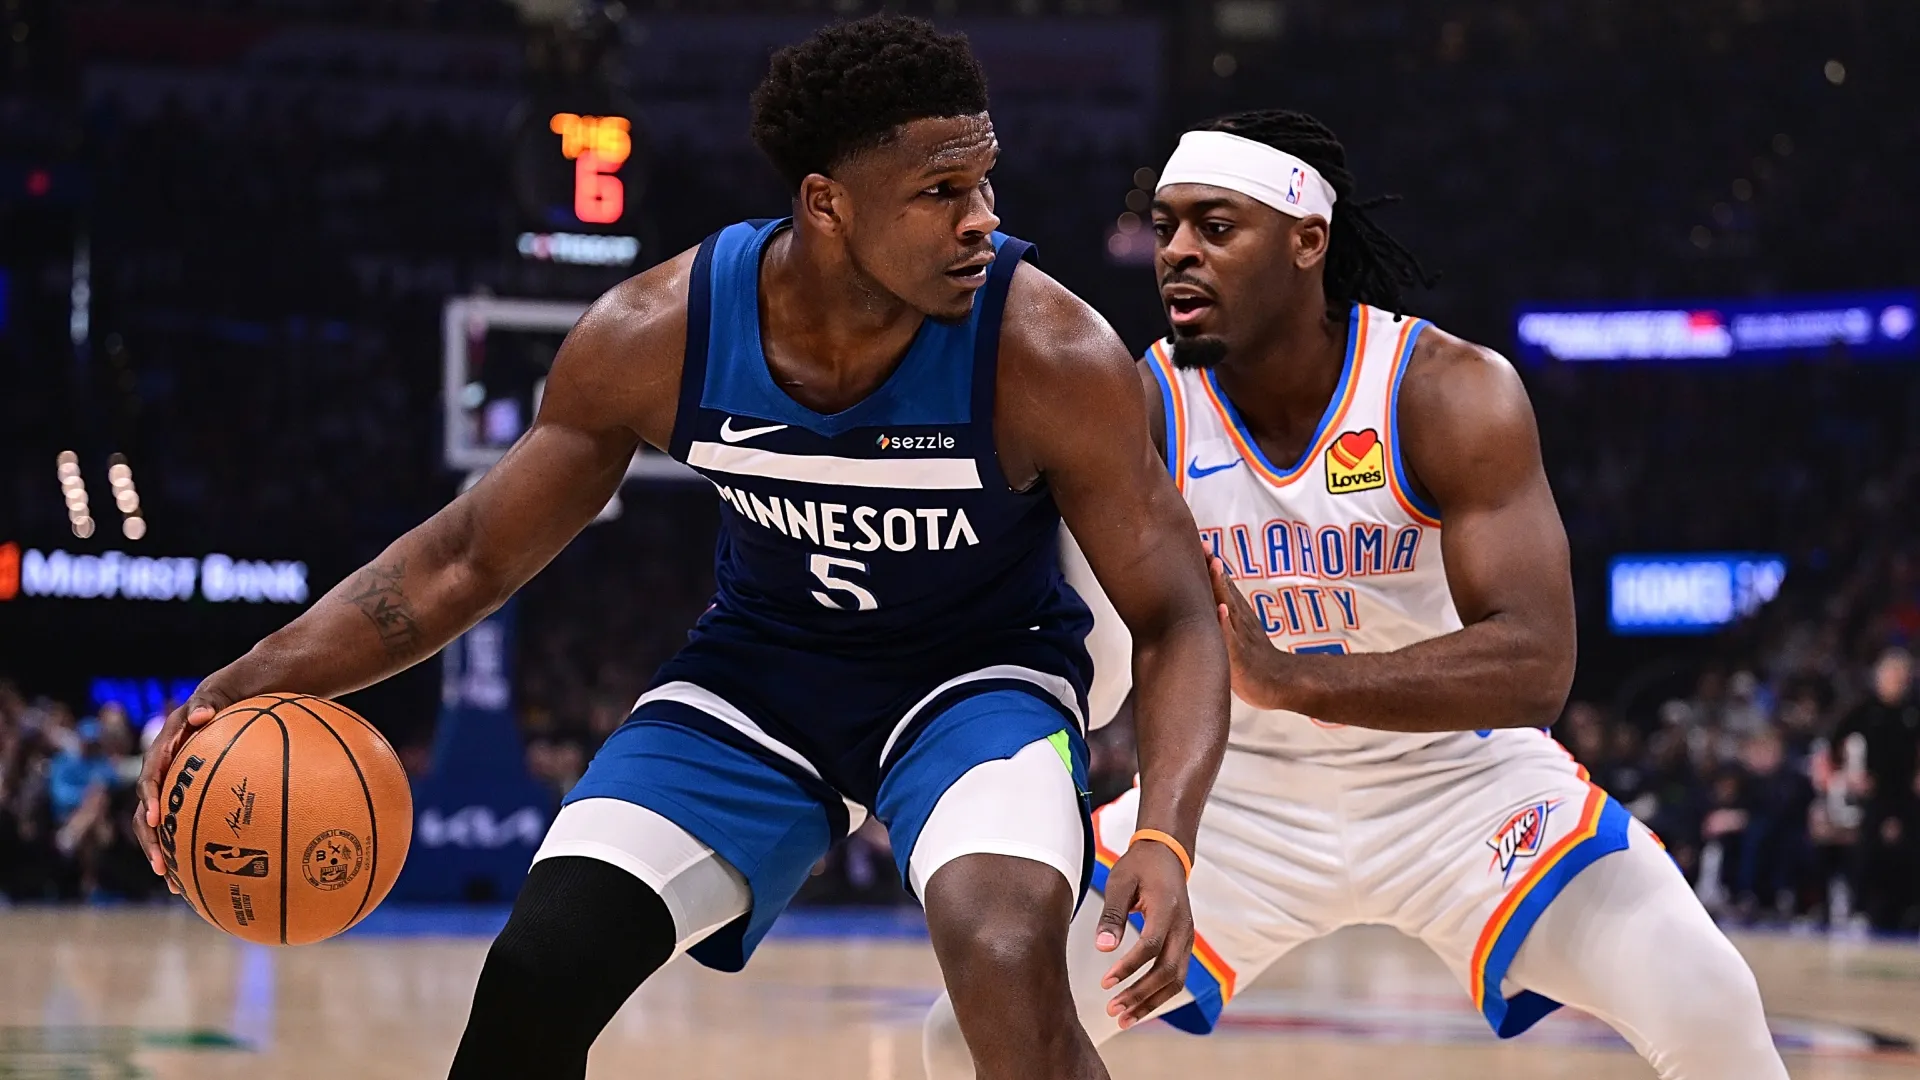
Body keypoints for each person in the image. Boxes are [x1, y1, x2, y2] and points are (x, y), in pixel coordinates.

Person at [132, 16, 1229, 1080]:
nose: (982, 218)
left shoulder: (1048, 351)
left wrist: (1166, 838)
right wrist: (241, 683)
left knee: (1004, 957)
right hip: (763, 676)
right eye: (941, 192)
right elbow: (470, 558)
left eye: (985, 182)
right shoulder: (661, 335)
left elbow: (1177, 614)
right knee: (537, 972)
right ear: (827, 204)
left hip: (977, 681)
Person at [925, 110, 1787, 1080]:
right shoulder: (1145, 405)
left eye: (1216, 226)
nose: (1176, 252)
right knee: (969, 1033)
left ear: (1308, 240)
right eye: (1166, 227)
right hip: (1238, 802)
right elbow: (1107, 651)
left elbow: (1537, 664)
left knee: (1709, 1003)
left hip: (1460, 789)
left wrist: (1292, 680)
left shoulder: (1446, 391)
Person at [1831, 647, 1920, 931]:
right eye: (1891, 674)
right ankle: (1861, 908)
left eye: (1901, 675)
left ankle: (1908, 909)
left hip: (1907, 794)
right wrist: (1850, 774)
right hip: (1874, 794)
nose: (1896, 681)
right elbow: (1835, 741)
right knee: (1868, 850)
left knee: (1910, 849)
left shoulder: (1912, 710)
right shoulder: (1864, 710)